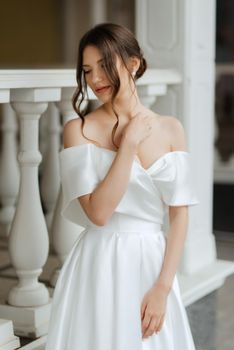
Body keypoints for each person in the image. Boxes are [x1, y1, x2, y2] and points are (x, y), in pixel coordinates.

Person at [45, 22, 199, 350]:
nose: (95, 79)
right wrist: (127, 146)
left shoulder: (171, 129)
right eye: (87, 70)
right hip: (98, 260)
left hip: (151, 262)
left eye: (104, 65)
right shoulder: (79, 129)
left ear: (133, 64)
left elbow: (180, 216)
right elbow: (98, 214)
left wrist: (163, 288)